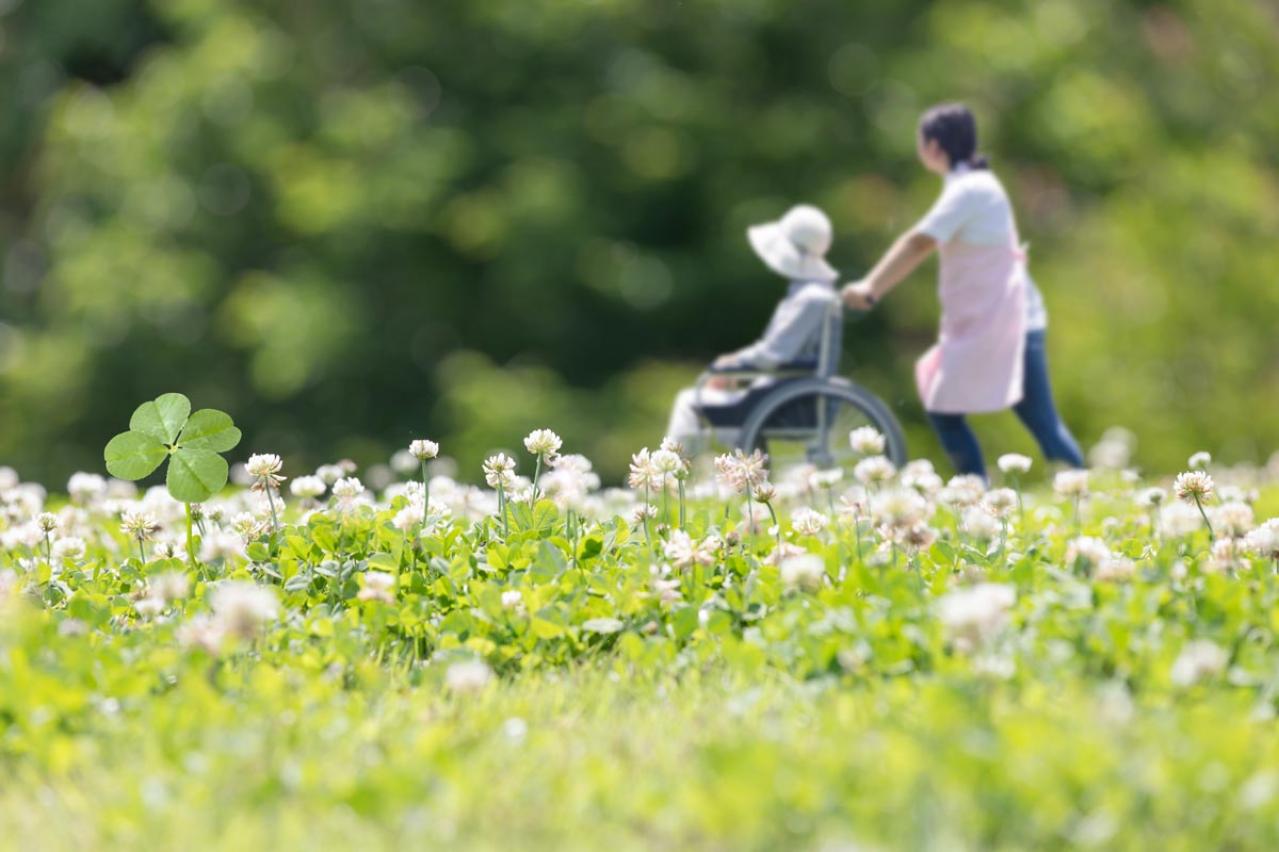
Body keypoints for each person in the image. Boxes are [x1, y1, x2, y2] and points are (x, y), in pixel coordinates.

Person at [841, 102, 1084, 480]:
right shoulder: (969, 186)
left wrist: (871, 287)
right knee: (950, 407)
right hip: (992, 322)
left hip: (1010, 323)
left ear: (935, 147)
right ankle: (977, 496)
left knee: (1038, 422)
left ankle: (1073, 496)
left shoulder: (970, 190)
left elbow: (917, 243)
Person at [666, 204, 840, 452]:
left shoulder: (810, 299)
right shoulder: (817, 295)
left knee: (687, 401)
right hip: (791, 393)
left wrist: (730, 364)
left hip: (787, 399)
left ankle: (669, 474)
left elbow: (774, 355)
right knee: (701, 395)